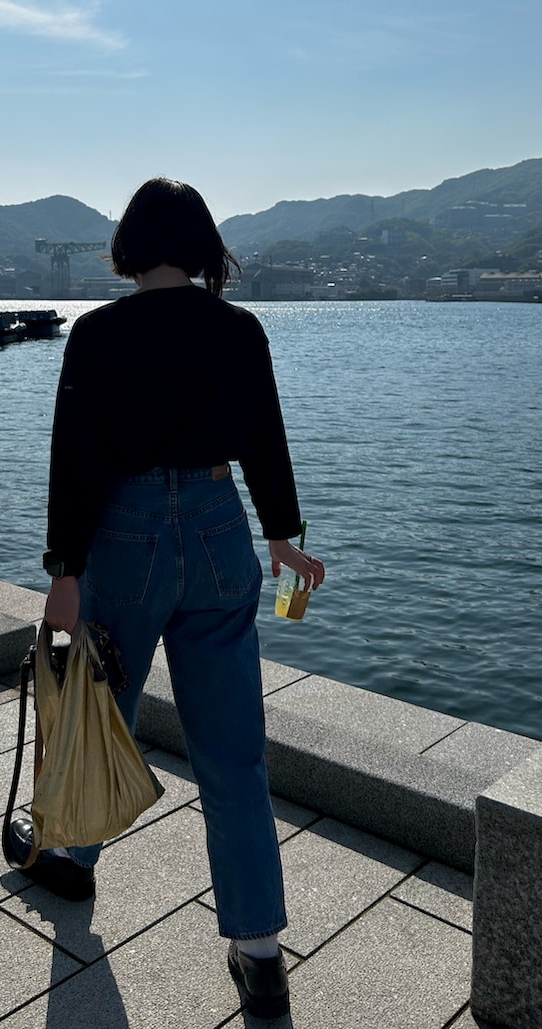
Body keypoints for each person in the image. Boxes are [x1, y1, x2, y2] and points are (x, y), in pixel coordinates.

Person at [42, 177, 325, 1019]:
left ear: (129, 245)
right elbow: (264, 436)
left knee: (101, 701)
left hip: (124, 528)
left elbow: (76, 454)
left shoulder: (97, 333)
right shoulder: (239, 329)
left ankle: (73, 854)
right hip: (216, 524)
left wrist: (64, 570)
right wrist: (283, 535)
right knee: (233, 751)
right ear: (204, 245)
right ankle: (260, 951)